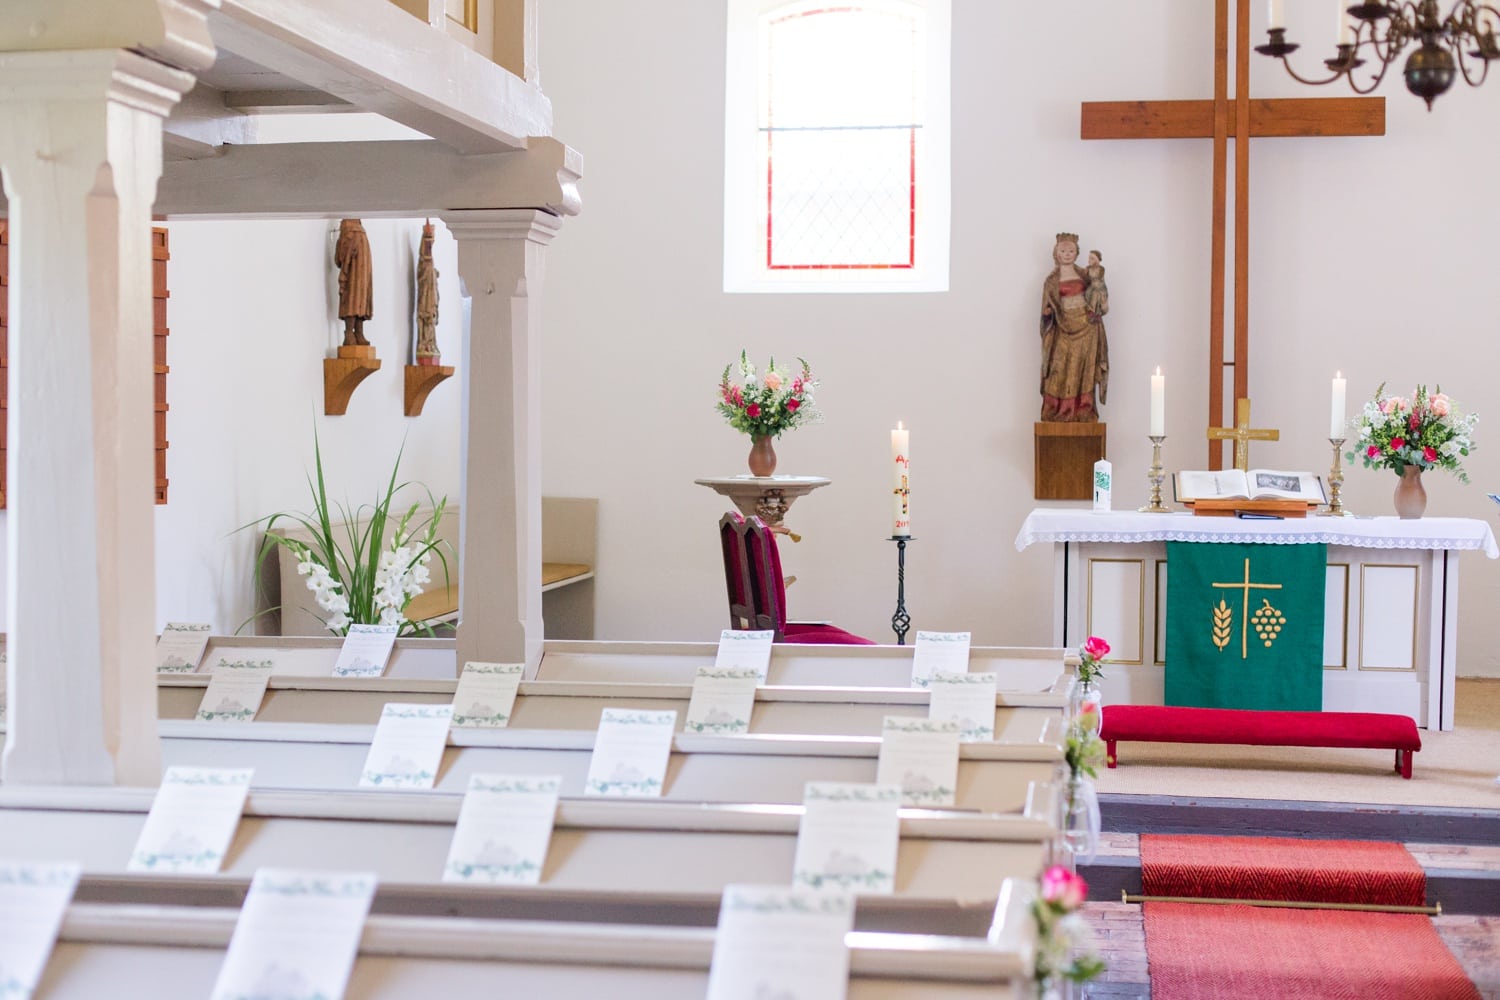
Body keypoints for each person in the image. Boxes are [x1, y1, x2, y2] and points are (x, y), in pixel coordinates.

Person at [1039, 233, 1109, 422]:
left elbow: (1097, 294)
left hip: (1086, 327)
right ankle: (1058, 408)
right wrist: (1047, 314)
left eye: (1071, 251)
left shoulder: (1086, 275)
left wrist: (1100, 303)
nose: (1067, 254)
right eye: (1063, 251)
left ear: (1076, 253)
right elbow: (1046, 308)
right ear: (1057, 253)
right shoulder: (1051, 281)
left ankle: (1083, 408)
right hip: (1062, 326)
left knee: (1082, 368)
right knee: (1059, 367)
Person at [335, 218, 373, 347]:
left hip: (361, 261)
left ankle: (358, 332)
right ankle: (350, 333)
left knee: (361, 295)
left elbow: (339, 258)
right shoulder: (350, 230)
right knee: (354, 295)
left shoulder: (356, 231)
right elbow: (340, 258)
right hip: (355, 265)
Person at [415, 221, 440, 364]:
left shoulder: (430, 264)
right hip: (425, 300)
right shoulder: (424, 264)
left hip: (431, 300)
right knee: (426, 320)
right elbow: (423, 280)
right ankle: (424, 344)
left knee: (430, 321)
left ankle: (429, 343)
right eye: (428, 242)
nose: (430, 246)